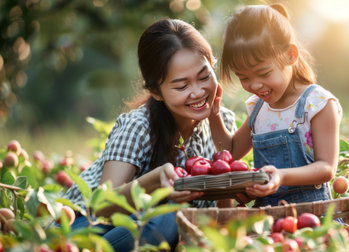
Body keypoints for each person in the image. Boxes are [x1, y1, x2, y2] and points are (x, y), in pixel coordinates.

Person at [63, 18, 236, 251]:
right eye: (181, 86)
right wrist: (154, 181)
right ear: (156, 91)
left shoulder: (221, 122)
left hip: (149, 231)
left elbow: (224, 212)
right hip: (88, 227)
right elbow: (102, 205)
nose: (198, 92)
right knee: (171, 217)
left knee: (175, 218)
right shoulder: (139, 125)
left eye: (204, 77)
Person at [209, 3, 342, 207]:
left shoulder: (317, 104)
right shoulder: (258, 108)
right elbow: (231, 151)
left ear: (291, 55)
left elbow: (326, 168)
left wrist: (280, 176)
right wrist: (213, 114)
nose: (254, 85)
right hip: (267, 222)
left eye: (263, 73)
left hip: (310, 218)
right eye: (243, 77)